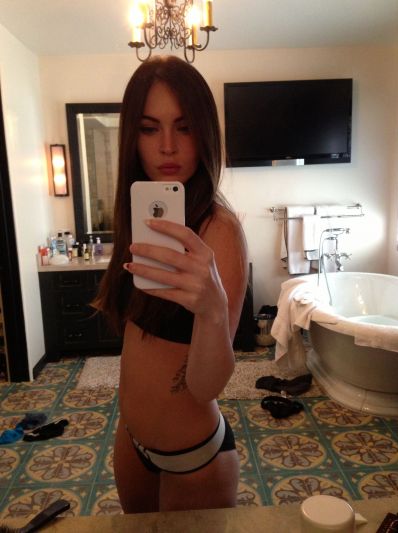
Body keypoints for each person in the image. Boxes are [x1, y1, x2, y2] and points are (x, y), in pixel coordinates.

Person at [94, 55, 248, 513]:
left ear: (205, 134)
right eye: (149, 128)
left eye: (184, 127)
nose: (166, 146)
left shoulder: (219, 229)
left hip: (192, 458)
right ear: (132, 137)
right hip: (131, 442)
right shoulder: (140, 217)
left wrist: (212, 310)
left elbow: (207, 386)